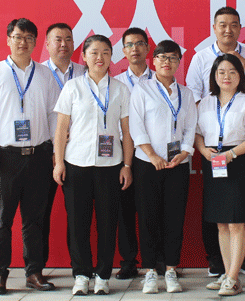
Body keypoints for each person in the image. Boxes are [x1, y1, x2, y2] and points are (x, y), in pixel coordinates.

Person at [0, 18, 60, 295]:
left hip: (39, 155)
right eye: (18, 37)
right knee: (2, 219)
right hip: (6, 156)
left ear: (36, 42)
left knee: (35, 219)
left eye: (29, 38)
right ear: (8, 40)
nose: (23, 42)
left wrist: (55, 151)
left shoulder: (45, 74)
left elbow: (53, 115)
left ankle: (34, 272)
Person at [52, 34, 133, 296]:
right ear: (84, 57)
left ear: (111, 57)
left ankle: (103, 275)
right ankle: (81, 274)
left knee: (108, 223)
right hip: (76, 164)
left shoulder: (120, 89)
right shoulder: (73, 87)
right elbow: (61, 128)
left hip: (111, 166)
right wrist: (58, 162)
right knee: (78, 224)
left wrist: (127, 165)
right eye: (94, 52)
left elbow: (127, 132)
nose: (100, 57)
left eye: (106, 52)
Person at [186, 6, 245, 277]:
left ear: (240, 27)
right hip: (210, 147)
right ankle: (218, 261)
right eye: (222, 24)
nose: (228, 29)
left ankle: (236, 266)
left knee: (239, 212)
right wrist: (205, 142)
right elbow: (193, 97)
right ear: (214, 27)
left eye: (233, 24)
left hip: (240, 145)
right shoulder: (201, 59)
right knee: (216, 211)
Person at [128, 39, 197, 294]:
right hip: (148, 164)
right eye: (162, 57)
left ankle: (170, 270)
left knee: (174, 218)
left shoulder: (186, 94)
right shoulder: (142, 90)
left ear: (179, 62)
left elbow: (190, 127)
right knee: (148, 218)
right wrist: (152, 155)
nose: (167, 62)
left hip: (177, 164)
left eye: (172, 58)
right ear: (153, 61)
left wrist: (184, 153)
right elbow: (136, 126)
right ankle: (149, 271)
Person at [195, 54, 245, 296]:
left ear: (240, 76)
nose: (227, 77)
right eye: (221, 72)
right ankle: (227, 273)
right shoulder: (205, 103)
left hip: (237, 161)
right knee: (221, 223)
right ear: (214, 76)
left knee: (236, 223)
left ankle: (234, 278)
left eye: (232, 72)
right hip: (213, 161)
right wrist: (203, 150)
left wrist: (232, 154)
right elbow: (197, 132)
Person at [41, 22, 85, 272]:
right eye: (57, 39)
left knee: (77, 214)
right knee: (40, 211)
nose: (63, 44)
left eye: (68, 39)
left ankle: (79, 268)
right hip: (45, 151)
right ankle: (37, 268)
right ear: (47, 44)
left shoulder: (84, 72)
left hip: (78, 152)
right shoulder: (38, 73)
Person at [114, 27, 153, 280]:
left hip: (152, 154)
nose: (135, 48)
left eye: (139, 43)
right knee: (124, 210)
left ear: (147, 48)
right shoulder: (116, 83)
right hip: (122, 153)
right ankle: (128, 260)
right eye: (129, 44)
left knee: (152, 209)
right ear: (123, 50)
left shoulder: (160, 79)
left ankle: (156, 261)